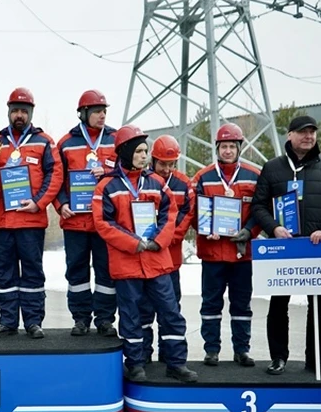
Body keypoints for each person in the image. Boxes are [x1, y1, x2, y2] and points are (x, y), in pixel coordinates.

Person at [92, 125, 197, 383]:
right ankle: (136, 364)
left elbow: (169, 215)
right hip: (127, 263)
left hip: (157, 261)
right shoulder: (107, 186)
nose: (144, 156)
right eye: (139, 151)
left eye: (145, 151)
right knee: (131, 317)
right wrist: (134, 243)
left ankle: (176, 363)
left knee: (171, 313)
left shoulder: (156, 183)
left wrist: (157, 241)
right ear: (125, 152)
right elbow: (103, 223)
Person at [251, 115, 321, 377]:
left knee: (319, 305)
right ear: (290, 135)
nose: (308, 136)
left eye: (312, 132)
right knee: (278, 304)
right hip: (285, 248)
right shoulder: (273, 168)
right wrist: (274, 228)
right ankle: (278, 357)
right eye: (303, 132)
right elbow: (258, 206)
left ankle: (316, 359)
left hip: (316, 248)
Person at [0, 88, 63, 339]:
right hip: (3, 221)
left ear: (31, 113)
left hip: (31, 220)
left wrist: (38, 203)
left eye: (23, 111)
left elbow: (55, 175)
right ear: (9, 112)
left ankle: (33, 321)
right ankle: (8, 321)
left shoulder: (44, 142)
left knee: (32, 271)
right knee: (4, 272)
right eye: (15, 111)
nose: (19, 115)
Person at [191, 123, 261, 367]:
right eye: (224, 147)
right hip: (212, 253)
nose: (228, 151)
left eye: (232, 146)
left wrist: (249, 231)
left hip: (242, 254)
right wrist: (204, 229)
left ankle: (242, 350)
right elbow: (193, 211)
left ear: (239, 148)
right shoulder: (203, 177)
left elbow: (261, 210)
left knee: (242, 304)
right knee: (211, 303)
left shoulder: (254, 175)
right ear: (217, 149)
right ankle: (211, 349)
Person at [54, 89, 118, 337]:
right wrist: (61, 204)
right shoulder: (66, 143)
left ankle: (105, 319)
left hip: (105, 222)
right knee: (77, 272)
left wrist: (108, 173)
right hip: (76, 222)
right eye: (97, 111)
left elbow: (127, 173)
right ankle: (80, 318)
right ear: (83, 113)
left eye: (104, 111)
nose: (102, 116)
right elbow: (56, 179)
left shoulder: (115, 139)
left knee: (106, 271)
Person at [141, 134, 194, 363]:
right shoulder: (142, 181)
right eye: (162, 163)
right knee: (143, 310)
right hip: (145, 258)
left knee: (170, 310)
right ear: (153, 160)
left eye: (171, 164)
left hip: (170, 259)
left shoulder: (183, 184)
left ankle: (168, 355)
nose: (167, 169)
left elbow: (186, 215)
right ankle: (143, 354)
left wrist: (165, 239)